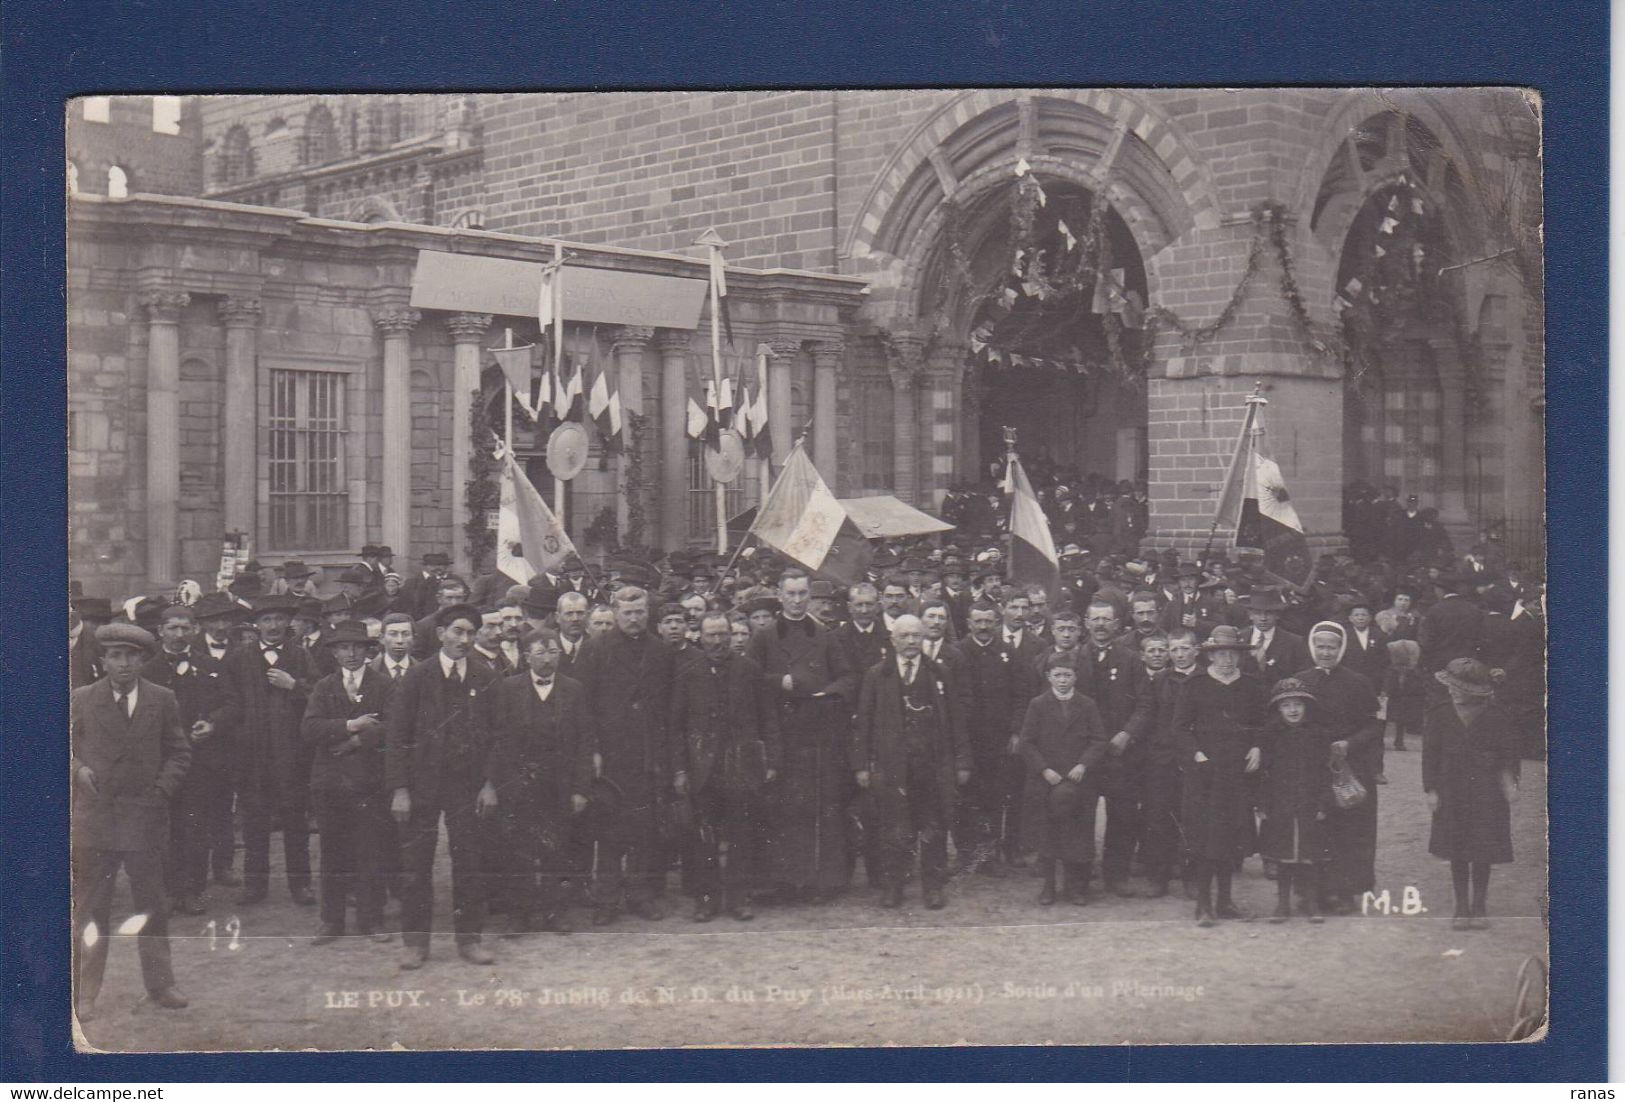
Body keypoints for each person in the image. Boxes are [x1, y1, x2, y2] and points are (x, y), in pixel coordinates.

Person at [71, 622, 192, 1021]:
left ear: (143, 660)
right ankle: (85, 991)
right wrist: (76, 769)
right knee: (91, 909)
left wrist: (160, 792)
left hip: (144, 818)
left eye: (132, 656)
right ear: (103, 660)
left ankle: (161, 985)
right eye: (116, 655)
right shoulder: (83, 699)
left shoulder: (162, 699)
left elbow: (178, 752)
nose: (124, 664)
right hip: (97, 820)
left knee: (151, 905)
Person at [387, 602, 503, 968]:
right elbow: (396, 736)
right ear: (440, 634)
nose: (464, 640)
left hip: (466, 785)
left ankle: (469, 939)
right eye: (457, 632)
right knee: (415, 863)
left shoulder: (485, 677)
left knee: (469, 860)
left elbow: (500, 736)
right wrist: (400, 789)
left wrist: (490, 784)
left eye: (471, 633)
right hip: (421, 785)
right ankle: (415, 943)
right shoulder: (417, 678)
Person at [747, 568, 858, 903]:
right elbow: (746, 678)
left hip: (815, 736)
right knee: (780, 810)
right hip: (779, 733)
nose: (797, 601)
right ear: (779, 596)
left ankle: (816, 882)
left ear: (810, 596)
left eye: (802, 594)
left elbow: (848, 677)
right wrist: (778, 682)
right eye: (790, 594)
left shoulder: (824, 635)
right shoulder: (764, 636)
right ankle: (780, 883)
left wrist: (828, 695)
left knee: (815, 809)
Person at [573, 585, 677, 924]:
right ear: (615, 614)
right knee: (609, 827)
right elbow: (583, 707)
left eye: (640, 612)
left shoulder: (661, 651)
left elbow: (668, 706)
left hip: (648, 750)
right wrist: (593, 751)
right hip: (611, 752)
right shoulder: (594, 649)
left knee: (645, 827)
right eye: (627, 613)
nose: (634, 619)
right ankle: (606, 899)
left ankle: (639, 894)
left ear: (648, 613)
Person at [853, 615, 970, 910]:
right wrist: (862, 765)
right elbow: (864, 723)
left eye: (916, 636)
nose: (910, 642)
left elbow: (957, 720)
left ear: (923, 640)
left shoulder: (939, 673)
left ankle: (933, 887)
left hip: (931, 765)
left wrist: (961, 761)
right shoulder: (877, 675)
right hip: (893, 767)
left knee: (934, 828)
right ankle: (893, 886)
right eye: (904, 636)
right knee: (894, 829)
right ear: (893, 640)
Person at [671, 613, 781, 921]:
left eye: (723, 635)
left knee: (741, 835)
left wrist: (771, 760)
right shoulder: (688, 671)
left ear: (732, 636)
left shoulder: (749, 670)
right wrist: (679, 769)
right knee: (703, 836)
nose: (718, 641)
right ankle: (706, 899)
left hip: (741, 768)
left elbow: (768, 718)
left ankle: (737, 898)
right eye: (711, 636)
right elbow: (676, 726)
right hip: (702, 769)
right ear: (700, 638)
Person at [484, 631, 591, 936]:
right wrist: (494, 782)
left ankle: (555, 910)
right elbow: (498, 739)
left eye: (553, 652)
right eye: (540, 653)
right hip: (518, 782)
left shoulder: (574, 689)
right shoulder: (507, 688)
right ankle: (519, 913)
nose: (547, 659)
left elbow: (584, 742)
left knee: (558, 847)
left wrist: (581, 788)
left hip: (559, 783)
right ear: (526, 657)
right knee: (518, 848)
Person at [300, 620, 395, 945]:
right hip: (330, 784)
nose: (351, 654)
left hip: (370, 783)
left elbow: (394, 729)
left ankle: (372, 919)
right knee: (332, 852)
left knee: (371, 850)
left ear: (369, 651)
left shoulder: (383, 685)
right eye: (344, 648)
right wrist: (352, 724)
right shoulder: (324, 687)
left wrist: (356, 743)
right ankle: (332, 920)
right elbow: (310, 729)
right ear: (334, 653)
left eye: (357, 647)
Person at [219, 593, 316, 907]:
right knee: (255, 823)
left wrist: (295, 686)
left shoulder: (301, 656)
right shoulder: (237, 658)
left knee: (295, 823)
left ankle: (300, 884)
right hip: (254, 757)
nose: (273, 626)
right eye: (266, 620)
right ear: (256, 625)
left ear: (288, 622)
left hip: (292, 755)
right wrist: (240, 739)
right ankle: (254, 885)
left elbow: (320, 697)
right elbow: (228, 704)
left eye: (278, 619)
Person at [141, 604, 231, 915]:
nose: (179, 634)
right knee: (162, 827)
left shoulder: (210, 666)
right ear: (161, 631)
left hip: (200, 761)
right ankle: (168, 891)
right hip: (160, 763)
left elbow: (231, 705)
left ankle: (193, 890)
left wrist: (213, 723)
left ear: (194, 630)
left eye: (185, 628)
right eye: (173, 628)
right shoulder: (147, 670)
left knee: (195, 826)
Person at [1173, 625, 1264, 927]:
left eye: (1233, 655)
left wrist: (1256, 747)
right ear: (1211, 656)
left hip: (1236, 772)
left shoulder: (1251, 686)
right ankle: (1203, 903)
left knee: (1230, 838)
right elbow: (1180, 728)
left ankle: (1225, 901)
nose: (1227, 660)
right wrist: (1197, 755)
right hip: (1205, 773)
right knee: (1205, 839)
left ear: (1240, 656)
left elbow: (1260, 724)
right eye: (1221, 654)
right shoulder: (1194, 685)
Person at [1423, 657, 1521, 931]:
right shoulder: (1440, 713)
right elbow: (1430, 754)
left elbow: (1509, 754)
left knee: (1482, 849)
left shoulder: (1497, 715)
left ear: (1475, 691)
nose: (1452, 691)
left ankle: (1479, 905)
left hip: (1486, 794)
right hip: (1450, 790)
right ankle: (1461, 907)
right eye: (1450, 686)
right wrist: (1431, 788)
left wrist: (1510, 783)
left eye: (1459, 688)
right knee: (1456, 849)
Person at [1296, 621, 1383, 915]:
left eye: (1331, 647)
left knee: (1350, 829)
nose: (1325, 652)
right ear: (1312, 647)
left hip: (1350, 765)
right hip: (1312, 765)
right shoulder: (1300, 680)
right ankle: (1313, 891)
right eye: (1320, 646)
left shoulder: (1358, 682)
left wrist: (1350, 743)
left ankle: (1345, 891)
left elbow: (1374, 724)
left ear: (1341, 649)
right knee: (1314, 828)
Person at [1017, 651, 1110, 906]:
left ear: (1075, 677)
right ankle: (1048, 886)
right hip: (1048, 781)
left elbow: (1099, 740)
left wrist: (1082, 765)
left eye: (1067, 675)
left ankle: (1075, 887)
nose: (1062, 680)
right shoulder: (1038, 704)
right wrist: (1044, 769)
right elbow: (1026, 743)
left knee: (1078, 835)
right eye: (1057, 675)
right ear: (1048, 677)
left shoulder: (1087, 705)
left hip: (1079, 780)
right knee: (1049, 834)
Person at [1075, 600, 1154, 897]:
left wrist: (1127, 734)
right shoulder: (1073, 658)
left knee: (1123, 816)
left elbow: (1146, 704)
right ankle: (1080, 877)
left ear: (1117, 623)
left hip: (1120, 754)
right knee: (1081, 815)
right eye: (1095, 619)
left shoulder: (1132, 660)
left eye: (1106, 620)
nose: (1100, 625)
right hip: (1085, 753)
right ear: (1086, 622)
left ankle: (1116, 875)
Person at [945, 600, 1026, 878]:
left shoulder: (1008, 653)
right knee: (963, 797)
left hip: (997, 740)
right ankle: (966, 854)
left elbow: (1020, 695)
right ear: (968, 623)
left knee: (994, 797)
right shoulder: (956, 653)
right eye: (977, 621)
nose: (982, 627)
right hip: (965, 740)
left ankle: (989, 855)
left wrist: (1016, 731)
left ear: (996, 622)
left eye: (988, 622)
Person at [1257, 678, 1333, 924]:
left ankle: (1311, 902)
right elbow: (1263, 772)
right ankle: (1282, 904)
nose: (1292, 710)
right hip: (1281, 802)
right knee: (1283, 855)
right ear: (1278, 709)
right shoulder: (1270, 734)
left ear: (1306, 707)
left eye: (1297, 704)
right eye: (1286, 705)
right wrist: (1263, 804)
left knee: (1310, 855)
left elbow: (1325, 770)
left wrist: (1323, 802)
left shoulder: (1319, 734)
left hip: (1309, 801)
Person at [1382, 639, 1425, 752]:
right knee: (1397, 720)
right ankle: (1398, 741)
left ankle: (1397, 741)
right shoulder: (1410, 671)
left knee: (1391, 719)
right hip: (1398, 697)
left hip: (1398, 697)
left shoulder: (1394, 670)